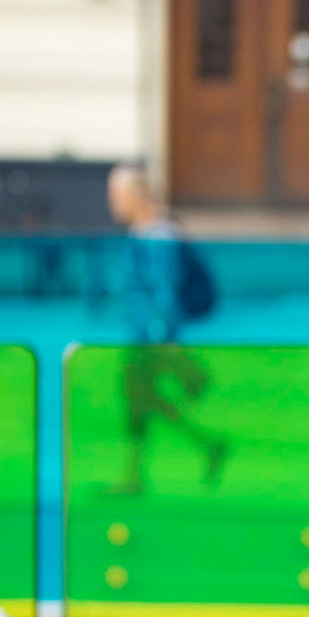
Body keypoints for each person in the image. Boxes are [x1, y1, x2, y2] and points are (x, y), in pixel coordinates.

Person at [106, 164, 228, 494]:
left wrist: (164, 337)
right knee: (139, 399)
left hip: (151, 336)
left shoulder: (159, 235)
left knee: (137, 399)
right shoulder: (143, 230)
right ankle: (206, 446)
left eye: (115, 195)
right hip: (142, 331)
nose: (111, 202)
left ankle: (135, 476)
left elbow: (165, 289)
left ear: (134, 196)